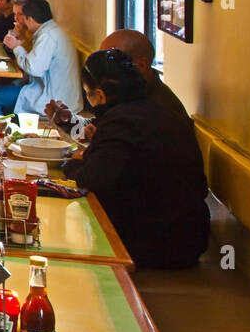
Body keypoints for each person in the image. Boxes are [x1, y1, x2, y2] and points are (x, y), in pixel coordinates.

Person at [62, 49, 209, 269]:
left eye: (88, 94)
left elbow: (93, 179)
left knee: (67, 237)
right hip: (188, 232)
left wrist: (69, 164)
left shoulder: (120, 121)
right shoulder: (157, 109)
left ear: (100, 95)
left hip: (161, 242)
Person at [46, 28, 189, 139]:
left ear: (141, 64)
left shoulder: (158, 106)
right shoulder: (124, 92)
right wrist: (69, 122)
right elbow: (102, 126)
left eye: (111, 59)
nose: (103, 66)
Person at [0, 0, 82, 116]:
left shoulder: (47, 36)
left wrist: (17, 47)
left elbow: (34, 68)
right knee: (1, 87)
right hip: (56, 94)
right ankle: (5, 126)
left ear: (31, 19)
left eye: (23, 17)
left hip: (54, 100)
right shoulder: (51, 31)